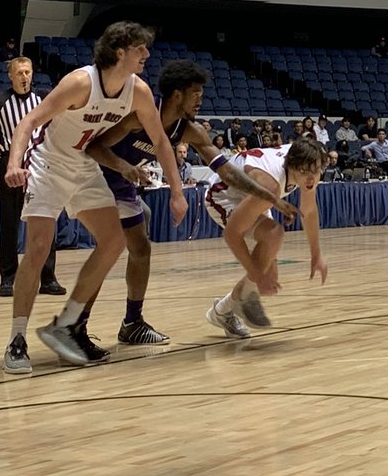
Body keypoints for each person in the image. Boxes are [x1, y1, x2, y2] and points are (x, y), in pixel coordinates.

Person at [2, 22, 186, 375]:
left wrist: (177, 192)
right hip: (49, 163)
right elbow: (28, 122)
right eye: (140, 49)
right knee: (39, 247)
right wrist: (14, 164)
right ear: (120, 52)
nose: (147, 55)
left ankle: (67, 324)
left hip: (84, 165)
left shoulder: (139, 91)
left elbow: (161, 142)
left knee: (115, 240)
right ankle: (17, 339)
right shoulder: (80, 82)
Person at [86, 59, 294, 347]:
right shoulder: (139, 114)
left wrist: (270, 196)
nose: (200, 99)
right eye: (195, 93)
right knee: (112, 248)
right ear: (176, 95)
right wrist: (123, 166)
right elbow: (95, 146)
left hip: (123, 184)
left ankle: (131, 323)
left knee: (140, 246)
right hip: (94, 175)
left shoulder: (191, 131)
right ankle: (78, 324)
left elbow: (227, 172)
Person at [203, 135, 328, 338]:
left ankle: (222, 311)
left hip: (257, 196)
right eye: (305, 173)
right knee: (272, 240)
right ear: (292, 165)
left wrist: (316, 254)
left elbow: (309, 210)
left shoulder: (308, 162)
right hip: (224, 195)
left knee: (270, 273)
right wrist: (256, 276)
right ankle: (232, 306)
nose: (311, 178)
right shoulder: (272, 183)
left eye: (316, 171)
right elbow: (232, 234)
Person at [0, 56, 65, 299]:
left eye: (27, 72)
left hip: (39, 164)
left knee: (45, 220)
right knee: (9, 222)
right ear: (11, 76)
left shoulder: (42, 99)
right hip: (11, 164)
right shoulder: (1, 100)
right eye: (19, 73)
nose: (24, 77)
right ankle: (8, 278)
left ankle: (48, 278)